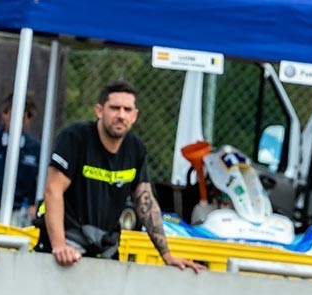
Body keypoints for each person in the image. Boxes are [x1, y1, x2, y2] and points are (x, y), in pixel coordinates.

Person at [39, 80, 202, 271]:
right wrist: (59, 246)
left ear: (135, 115)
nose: (121, 115)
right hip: (65, 248)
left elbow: (146, 203)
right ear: (99, 111)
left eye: (127, 109)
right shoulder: (74, 137)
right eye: (115, 108)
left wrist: (167, 256)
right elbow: (53, 190)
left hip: (105, 248)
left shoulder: (136, 148)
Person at [0, 93, 40, 226]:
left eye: (22, 117)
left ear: (28, 119)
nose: (17, 121)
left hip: (20, 214)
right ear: (5, 114)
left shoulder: (35, 149)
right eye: (13, 115)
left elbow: (42, 182)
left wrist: (35, 207)